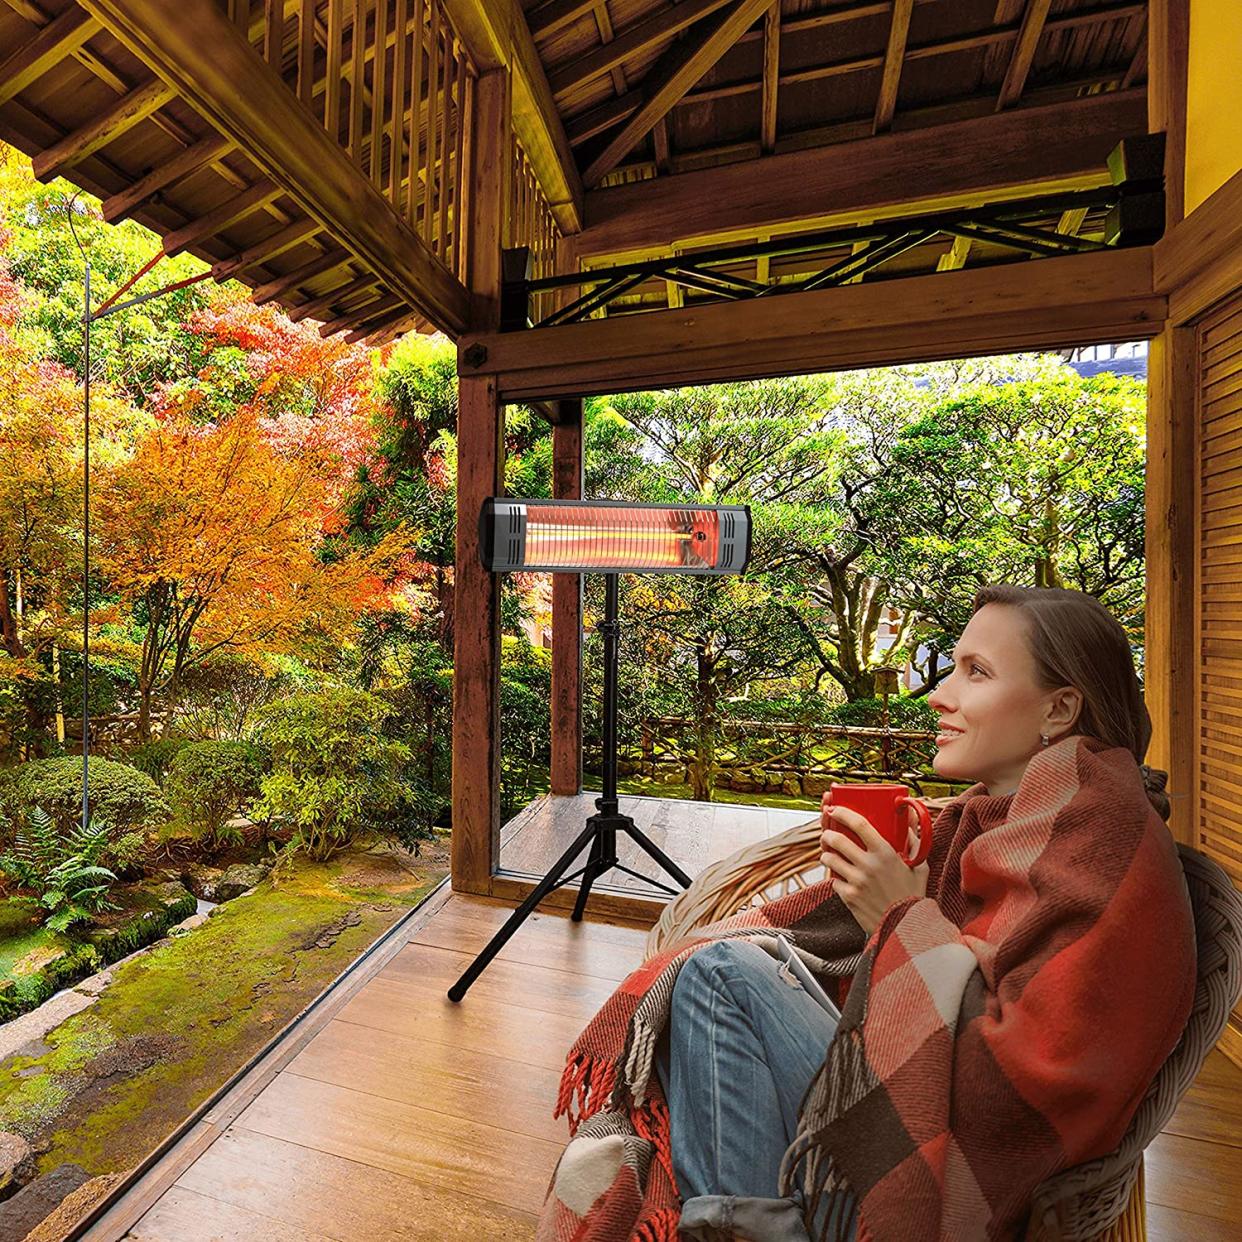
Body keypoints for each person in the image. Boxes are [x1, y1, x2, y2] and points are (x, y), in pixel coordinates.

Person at [646, 584, 1192, 1241]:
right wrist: (879, 909)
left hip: (961, 1146)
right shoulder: (999, 819)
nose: (939, 695)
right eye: (952, 666)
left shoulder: (1095, 835)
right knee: (727, 968)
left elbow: (1011, 1093)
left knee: (721, 976)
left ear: (1060, 708)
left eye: (976, 673)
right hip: (930, 1093)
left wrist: (899, 913)